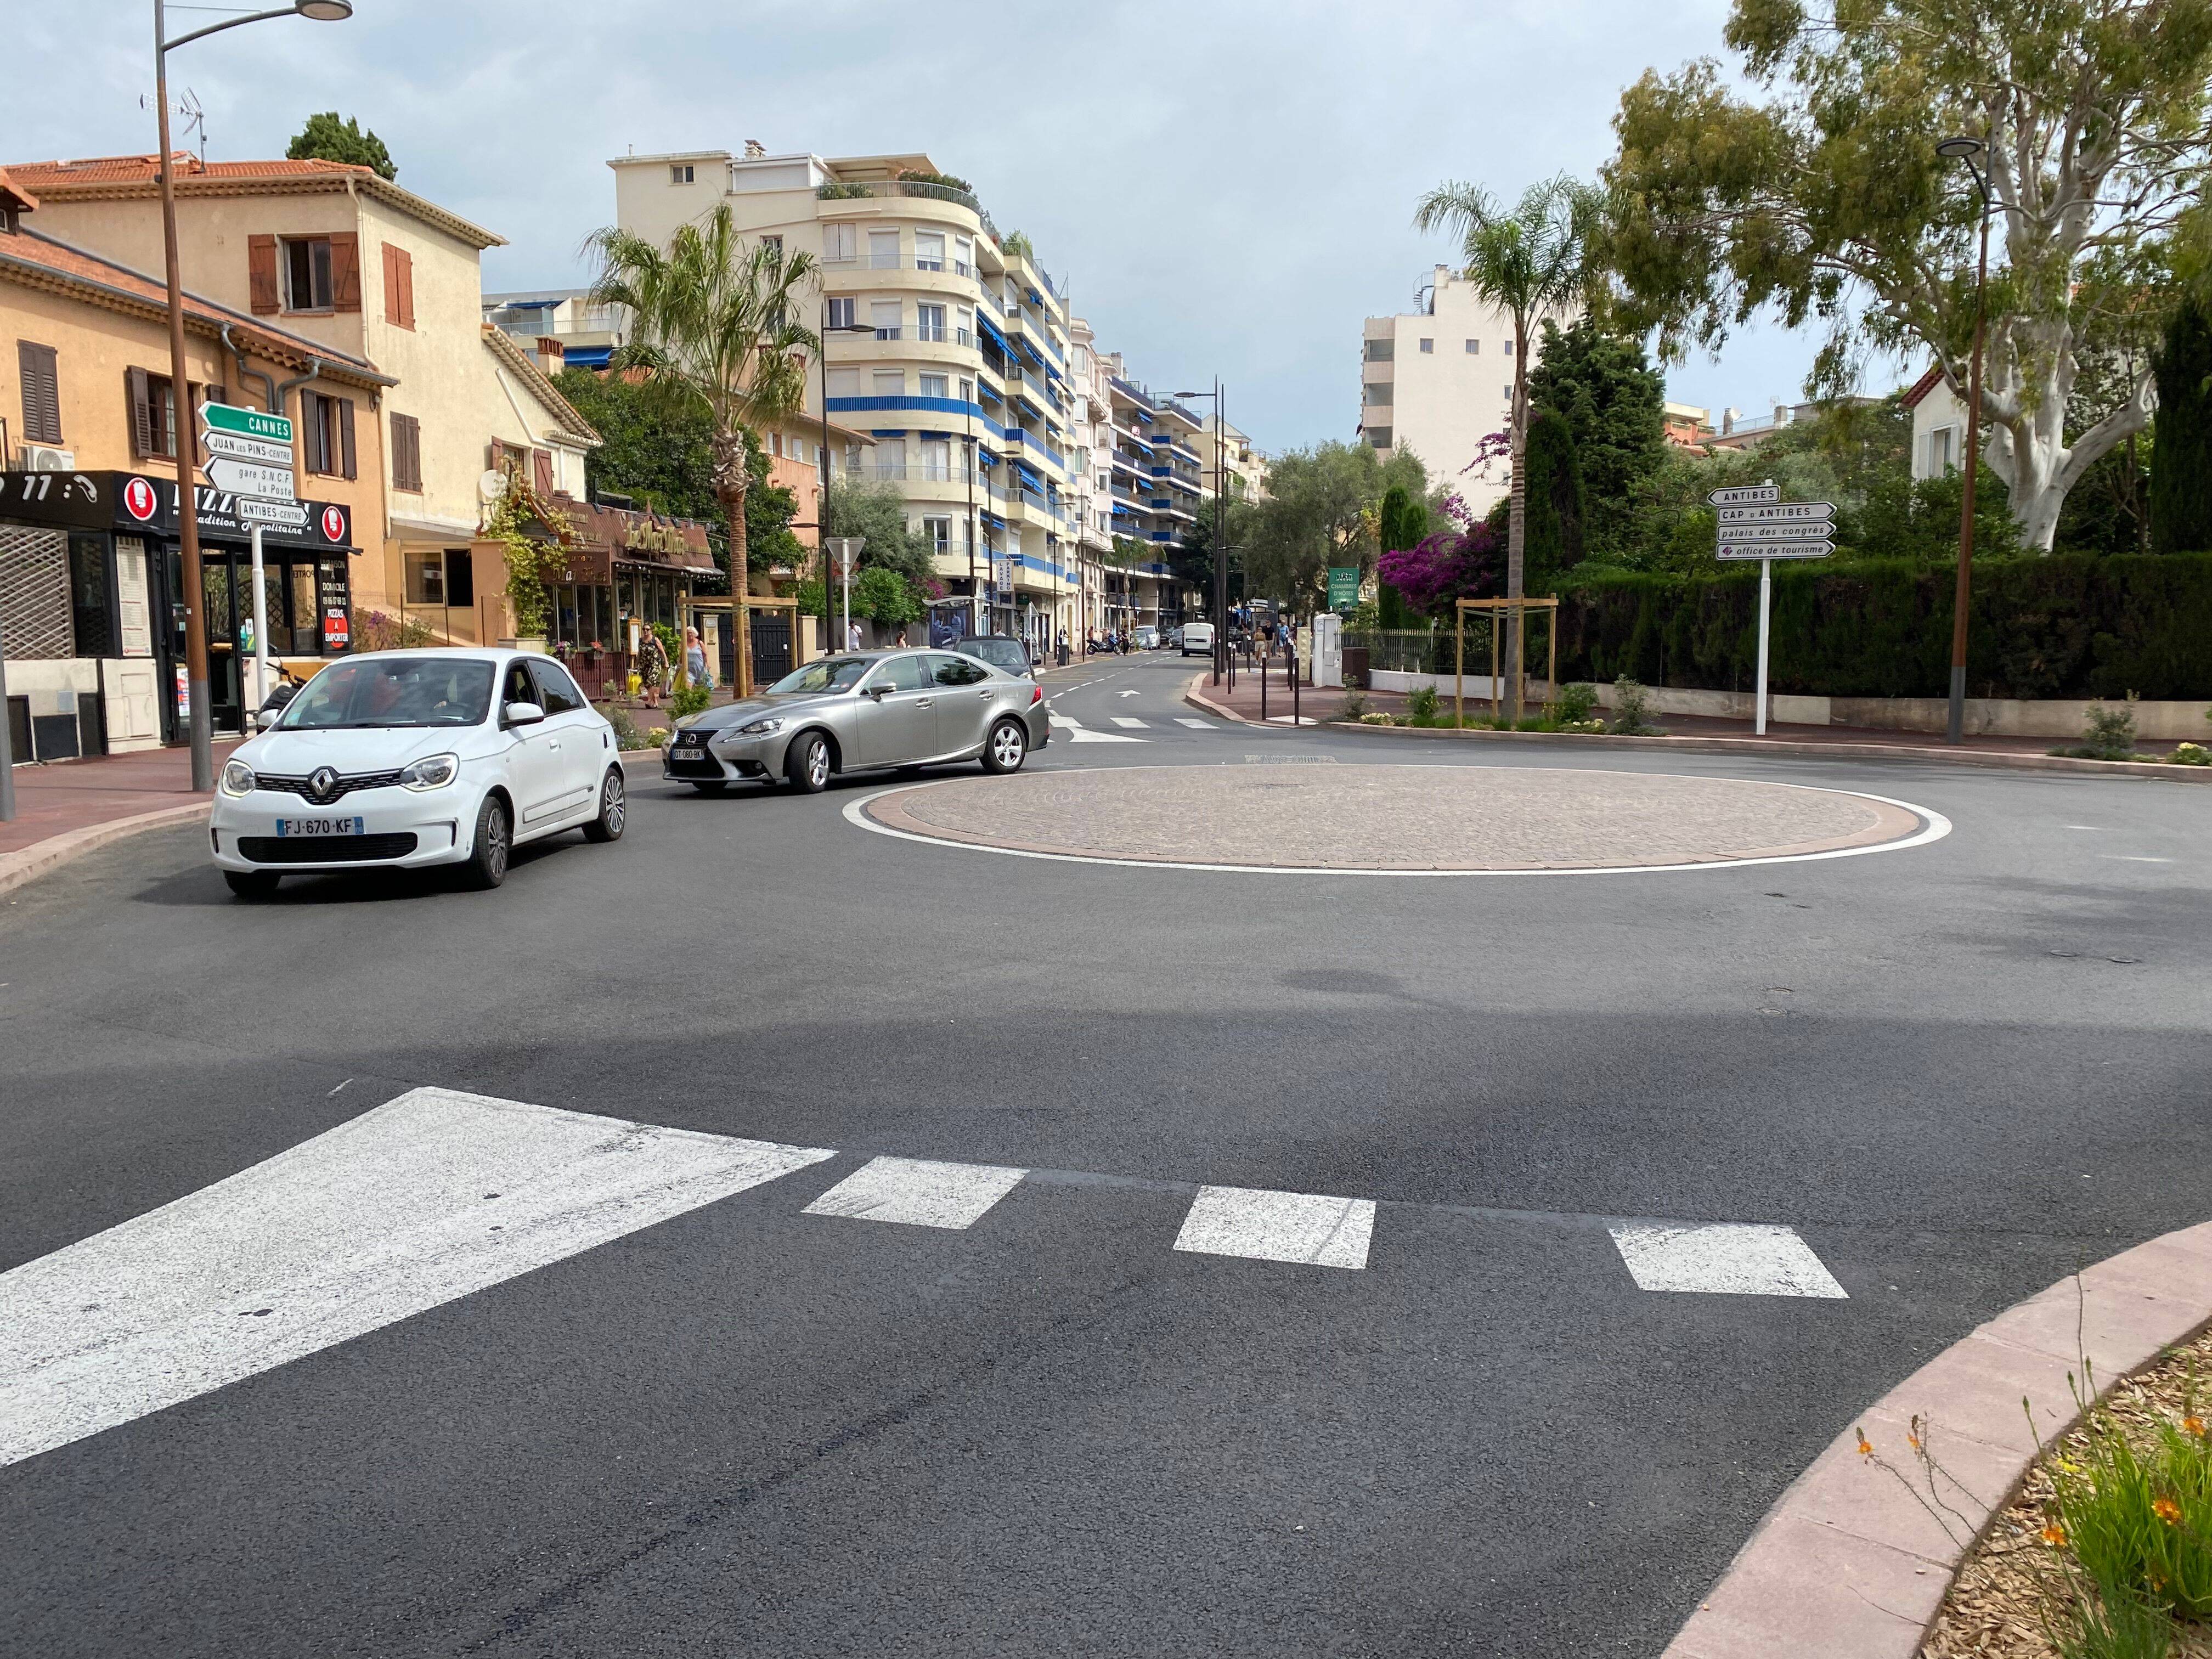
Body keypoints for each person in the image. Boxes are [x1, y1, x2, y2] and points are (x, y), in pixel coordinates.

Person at [636, 626, 669, 709]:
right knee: (647, 684)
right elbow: (640, 653)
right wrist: (637, 663)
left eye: (648, 629)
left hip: (655, 664)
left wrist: (666, 661)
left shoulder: (655, 640)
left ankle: (649, 701)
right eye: (644, 629)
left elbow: (662, 651)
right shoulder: (641, 640)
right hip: (644, 665)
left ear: (651, 631)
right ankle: (655, 702)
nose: (646, 631)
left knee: (652, 681)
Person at [682, 625, 709, 692]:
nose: (689, 635)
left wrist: (707, 664)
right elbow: (681, 655)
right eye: (688, 633)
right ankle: (689, 698)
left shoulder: (699, 643)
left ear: (694, 633)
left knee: (701, 688)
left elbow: (705, 654)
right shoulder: (684, 644)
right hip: (689, 670)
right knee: (688, 685)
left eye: (691, 633)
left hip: (700, 669)